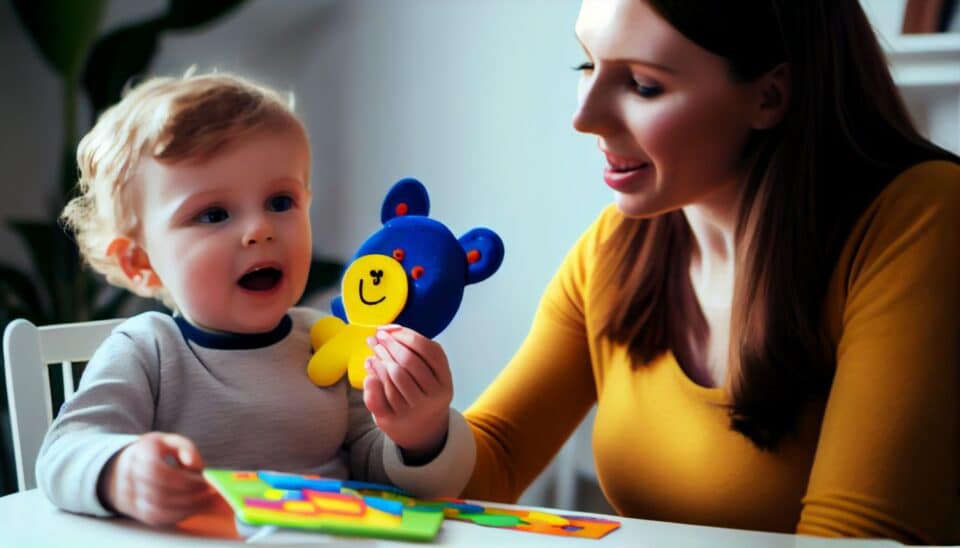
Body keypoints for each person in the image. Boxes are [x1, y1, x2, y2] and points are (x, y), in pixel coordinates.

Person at [456, 0, 960, 544]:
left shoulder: (924, 216)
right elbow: (497, 456)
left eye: (644, 85)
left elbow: (854, 538)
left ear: (769, 96)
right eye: (586, 65)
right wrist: (415, 432)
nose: (584, 118)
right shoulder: (613, 247)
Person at [39, 71, 475, 527]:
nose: (260, 230)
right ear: (138, 261)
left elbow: (383, 470)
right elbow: (65, 451)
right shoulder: (147, 350)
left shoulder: (324, 342)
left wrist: (420, 434)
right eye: (214, 214)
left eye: (281, 202)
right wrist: (120, 471)